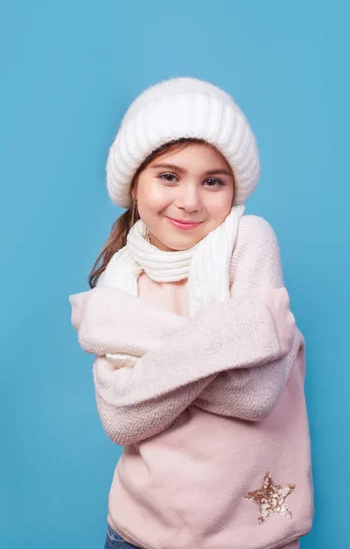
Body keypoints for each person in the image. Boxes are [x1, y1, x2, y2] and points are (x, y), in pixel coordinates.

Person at [69, 77, 314, 549]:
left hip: (251, 537)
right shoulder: (122, 278)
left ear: (234, 188)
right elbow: (120, 420)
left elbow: (255, 394)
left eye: (213, 181)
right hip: (137, 531)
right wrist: (236, 339)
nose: (189, 200)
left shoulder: (250, 241)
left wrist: (140, 349)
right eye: (168, 176)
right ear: (134, 185)